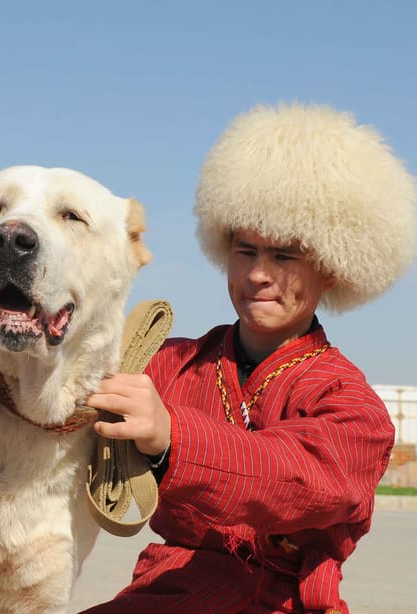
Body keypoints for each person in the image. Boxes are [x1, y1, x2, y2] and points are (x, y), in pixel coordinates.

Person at [83, 103, 416, 613]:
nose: (259, 274)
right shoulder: (164, 363)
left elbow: (296, 476)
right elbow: (61, 389)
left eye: (284, 255)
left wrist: (172, 435)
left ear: (330, 268)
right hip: (161, 593)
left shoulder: (353, 407)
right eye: (245, 251)